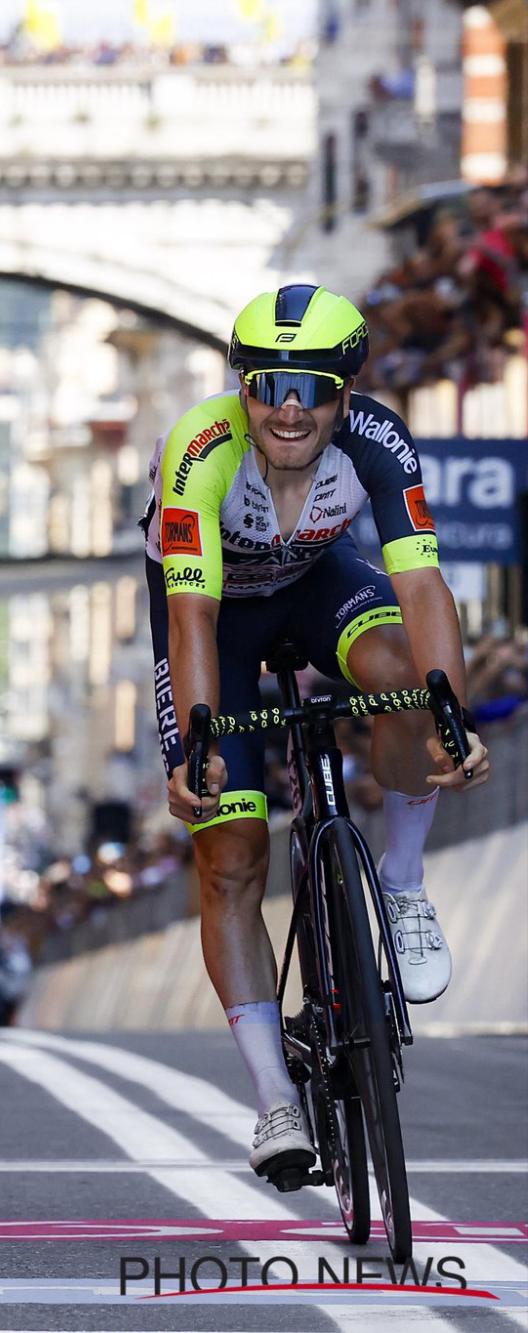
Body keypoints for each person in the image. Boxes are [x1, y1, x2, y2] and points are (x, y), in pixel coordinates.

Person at [144, 284, 491, 1186]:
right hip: (216, 614)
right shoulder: (202, 449)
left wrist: (448, 709)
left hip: (319, 581)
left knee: (401, 682)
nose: (289, 409)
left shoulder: (378, 441)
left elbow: (421, 584)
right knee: (230, 855)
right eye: (268, 386)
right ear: (243, 389)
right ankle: (274, 1100)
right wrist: (198, 741)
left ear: (345, 394)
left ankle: (404, 885)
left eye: (312, 389)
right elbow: (190, 616)